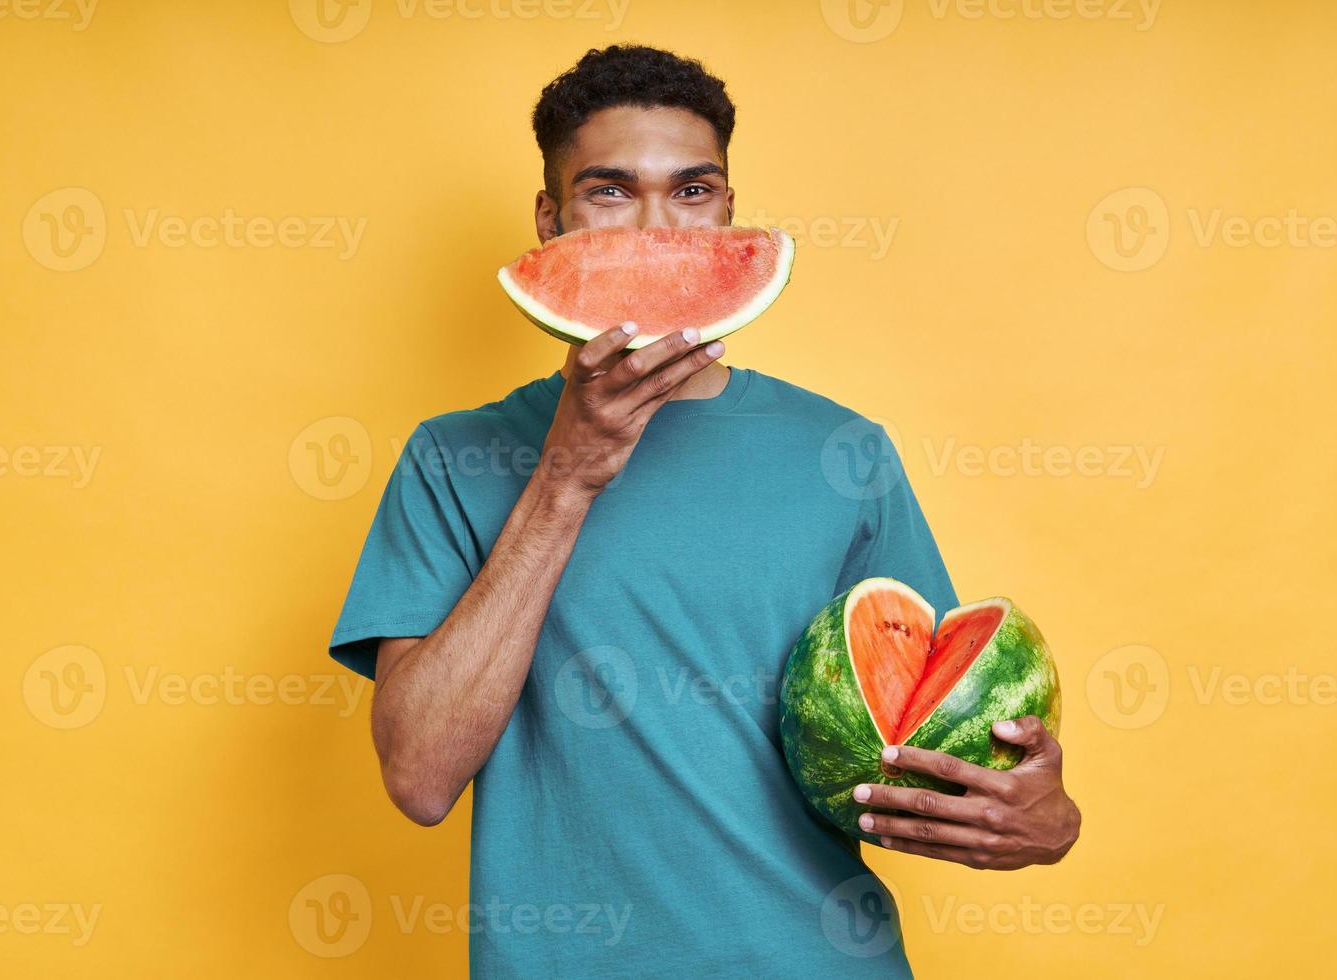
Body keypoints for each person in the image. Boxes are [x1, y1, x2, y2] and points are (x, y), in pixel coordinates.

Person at [330, 43, 1080, 978]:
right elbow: (420, 777)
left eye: (693, 192)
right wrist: (565, 478)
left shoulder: (843, 454)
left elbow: (912, 759)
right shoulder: (453, 458)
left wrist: (1039, 821)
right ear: (550, 218)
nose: (659, 231)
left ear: (728, 209)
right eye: (610, 192)